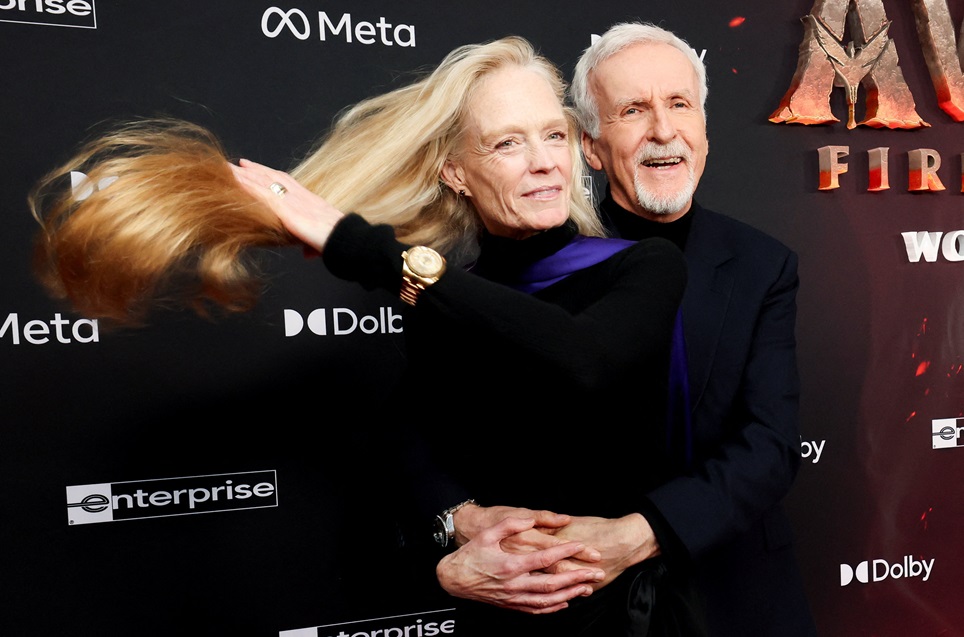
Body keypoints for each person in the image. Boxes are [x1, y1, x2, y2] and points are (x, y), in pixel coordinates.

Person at [29, 36, 697, 636]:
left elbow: (583, 356)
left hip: (622, 621)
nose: (544, 163)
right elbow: (411, 441)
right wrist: (457, 530)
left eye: (553, 135)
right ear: (455, 172)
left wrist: (365, 248)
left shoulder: (643, 266)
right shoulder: (442, 296)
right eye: (507, 143)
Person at [564, 21, 818, 637]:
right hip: (580, 598)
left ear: (703, 130)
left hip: (738, 597)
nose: (663, 130)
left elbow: (770, 444)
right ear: (591, 146)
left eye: (680, 104)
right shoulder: (543, 263)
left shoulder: (763, 264)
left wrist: (643, 532)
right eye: (633, 110)